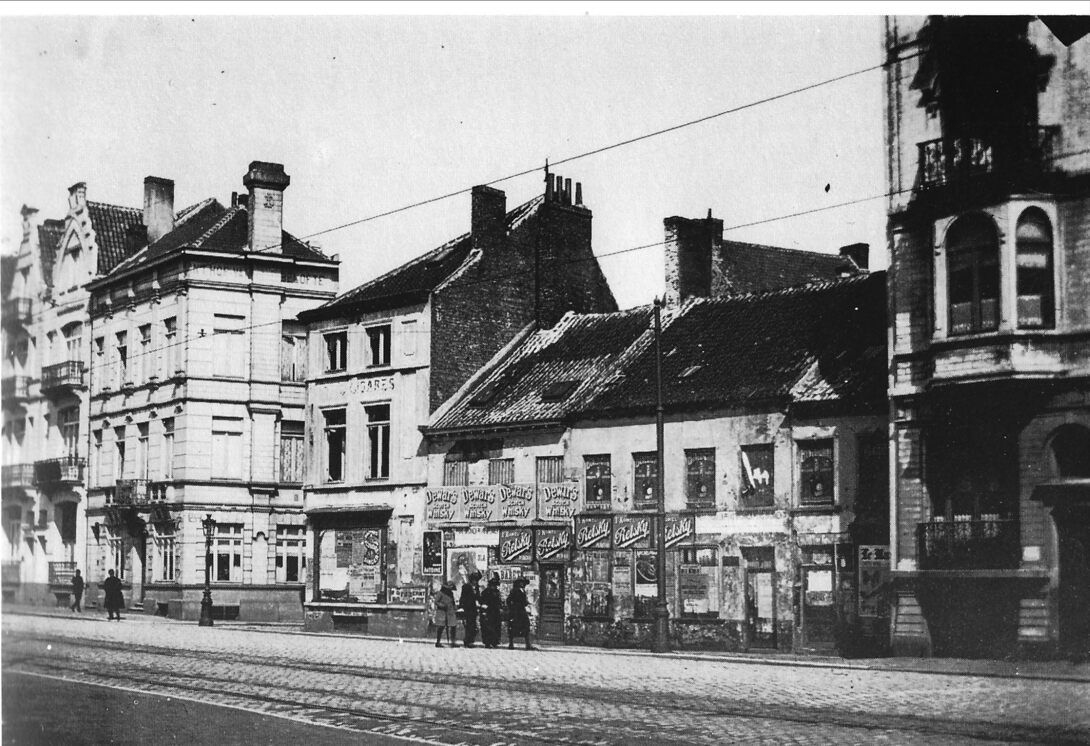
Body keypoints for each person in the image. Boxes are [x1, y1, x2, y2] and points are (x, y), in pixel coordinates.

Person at [506, 576, 535, 651]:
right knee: (513, 627)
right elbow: (508, 600)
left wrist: (527, 603)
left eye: (523, 583)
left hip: (521, 611)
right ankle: (511, 644)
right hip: (516, 612)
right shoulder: (515, 590)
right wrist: (512, 608)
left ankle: (527, 644)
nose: (522, 584)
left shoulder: (522, 590)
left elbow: (523, 601)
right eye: (520, 583)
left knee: (525, 626)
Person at [479, 573, 504, 648]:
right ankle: (488, 642)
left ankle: (495, 642)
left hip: (495, 612)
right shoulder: (486, 592)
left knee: (496, 627)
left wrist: (500, 607)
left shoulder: (497, 592)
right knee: (487, 627)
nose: (494, 586)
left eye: (495, 585)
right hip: (488, 611)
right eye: (493, 585)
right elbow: (482, 601)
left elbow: (499, 601)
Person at [432, 580, 458, 647]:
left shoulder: (451, 593)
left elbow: (453, 602)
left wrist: (455, 607)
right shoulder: (440, 593)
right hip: (442, 612)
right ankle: (438, 642)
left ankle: (453, 642)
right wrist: (442, 605)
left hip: (450, 612)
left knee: (453, 626)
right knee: (441, 627)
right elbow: (436, 601)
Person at [459, 571, 481, 648]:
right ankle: (468, 641)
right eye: (474, 580)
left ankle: (471, 640)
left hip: (474, 608)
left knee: (474, 626)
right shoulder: (466, 587)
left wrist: (479, 602)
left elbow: (478, 597)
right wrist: (461, 606)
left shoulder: (477, 587)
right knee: (469, 625)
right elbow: (462, 597)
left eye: (476, 580)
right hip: (468, 608)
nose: (475, 582)